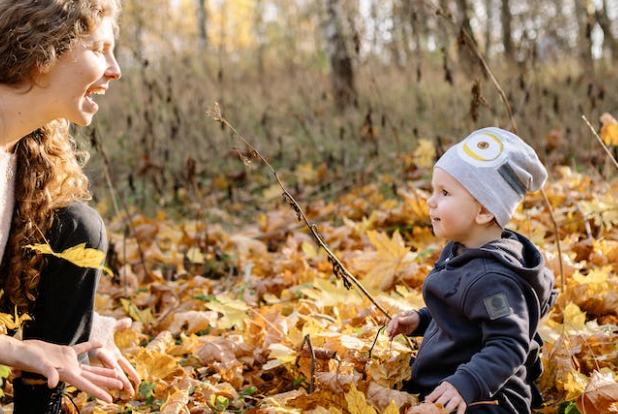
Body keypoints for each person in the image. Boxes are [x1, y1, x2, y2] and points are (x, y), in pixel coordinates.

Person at [0, 0, 140, 412]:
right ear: (43, 53)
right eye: (99, 49)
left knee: (76, 227)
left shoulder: (22, 154)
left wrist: (84, 324)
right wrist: (21, 351)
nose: (115, 70)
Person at [387, 127, 557, 414]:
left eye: (444, 192)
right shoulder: (460, 249)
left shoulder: (494, 279)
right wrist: (423, 319)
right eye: (433, 190)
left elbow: (508, 342)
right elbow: (464, 315)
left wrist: (467, 383)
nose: (431, 201)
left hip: (491, 396)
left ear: (483, 212)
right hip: (452, 382)